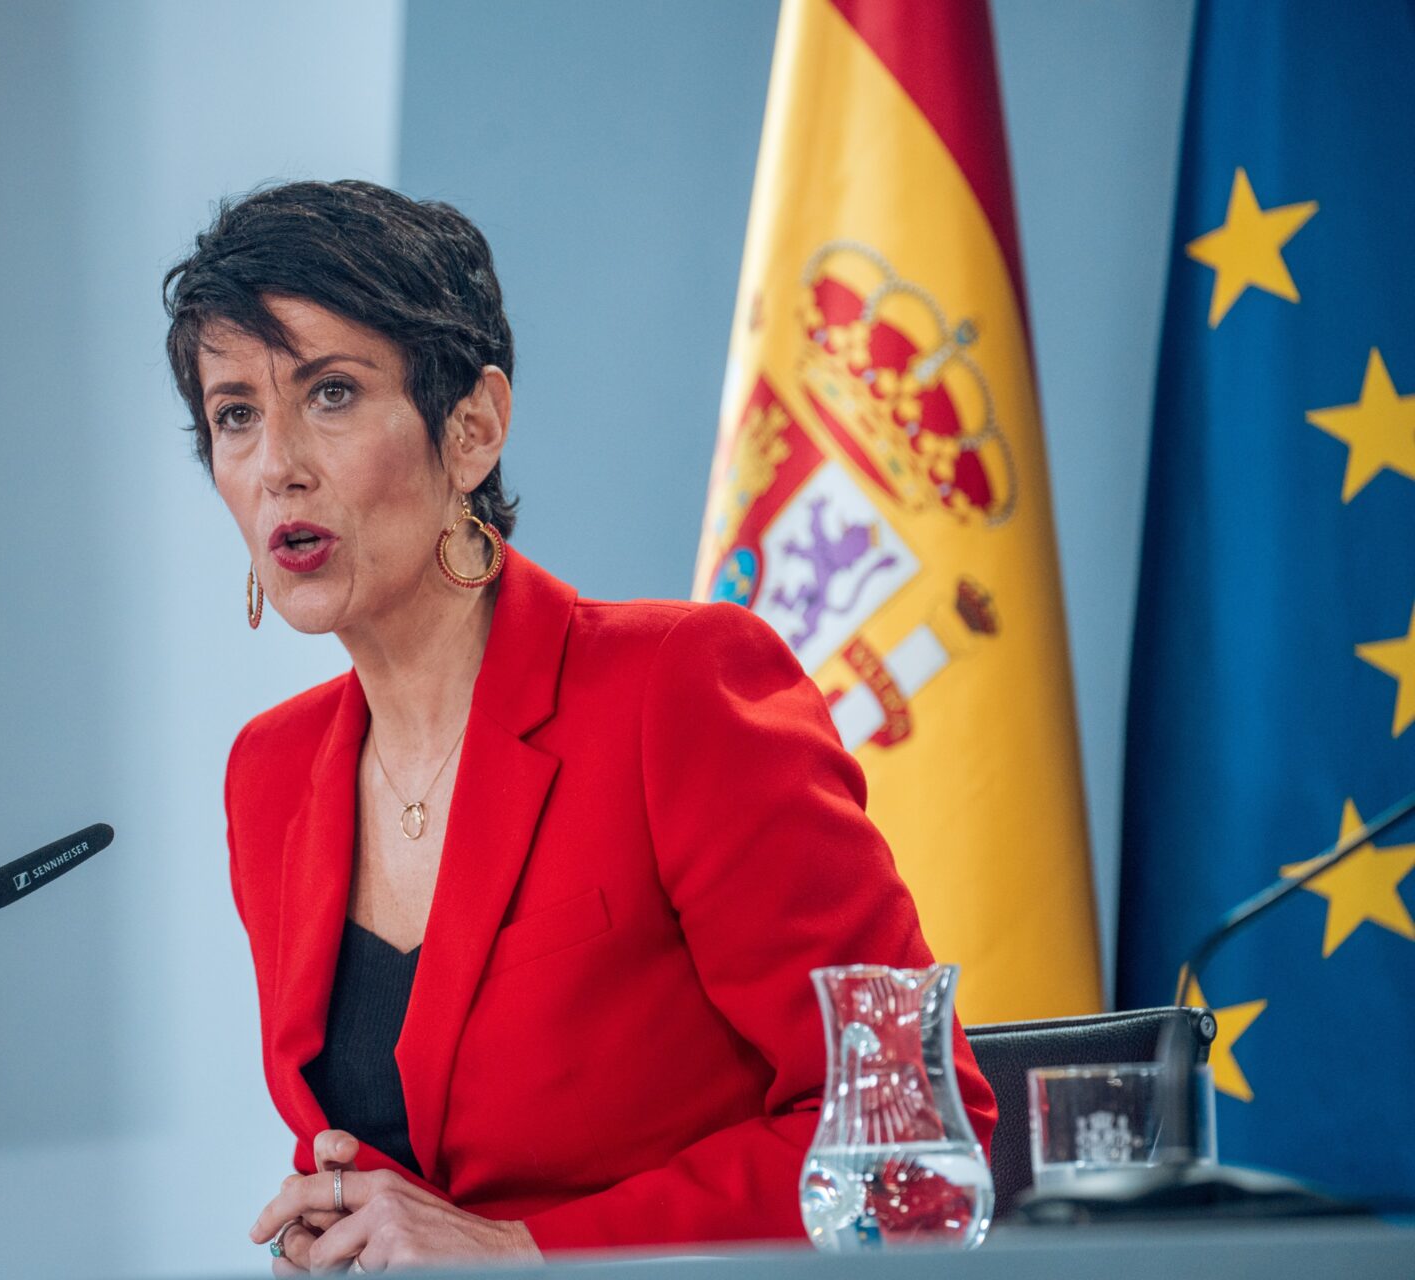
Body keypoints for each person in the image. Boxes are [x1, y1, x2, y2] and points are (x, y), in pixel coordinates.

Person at [162, 179, 996, 1272]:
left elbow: (912, 1145)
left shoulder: (679, 691)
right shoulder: (268, 773)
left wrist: (530, 1252)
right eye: (235, 414)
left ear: (472, 427)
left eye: (331, 393)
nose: (277, 465)